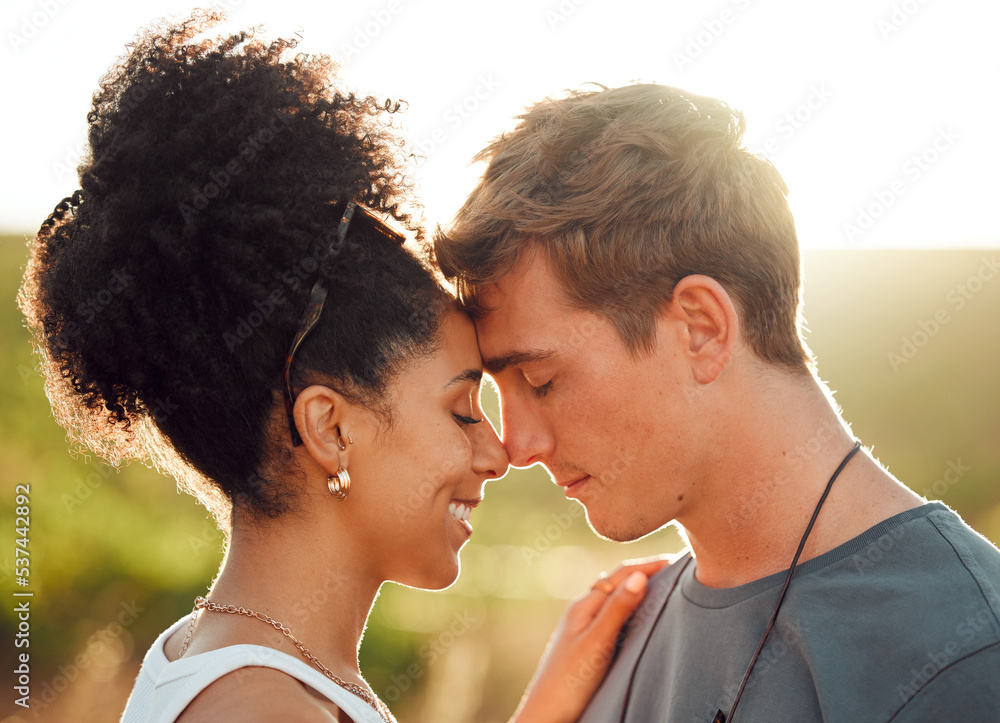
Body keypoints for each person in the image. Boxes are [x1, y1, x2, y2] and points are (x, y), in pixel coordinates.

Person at [17, 15, 666, 723]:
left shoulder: (228, 663)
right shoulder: (263, 709)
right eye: (460, 409)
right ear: (330, 426)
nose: (499, 451)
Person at [434, 83, 1000, 720]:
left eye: (540, 381)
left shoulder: (963, 656)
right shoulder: (609, 641)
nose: (516, 446)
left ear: (700, 328)